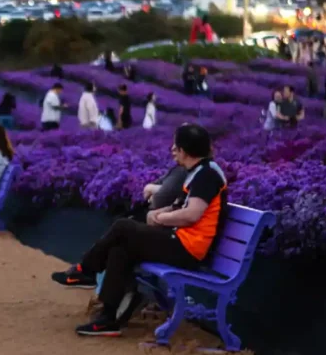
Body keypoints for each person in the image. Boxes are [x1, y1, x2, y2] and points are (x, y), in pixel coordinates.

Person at [51, 124, 227, 337]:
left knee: (123, 226)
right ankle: (108, 318)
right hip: (180, 240)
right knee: (121, 248)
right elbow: (180, 206)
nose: (172, 149)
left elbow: (192, 214)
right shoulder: (198, 171)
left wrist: (160, 218)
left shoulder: (207, 174)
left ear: (185, 150)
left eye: (176, 146)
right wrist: (159, 214)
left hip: (188, 249)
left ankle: (86, 269)